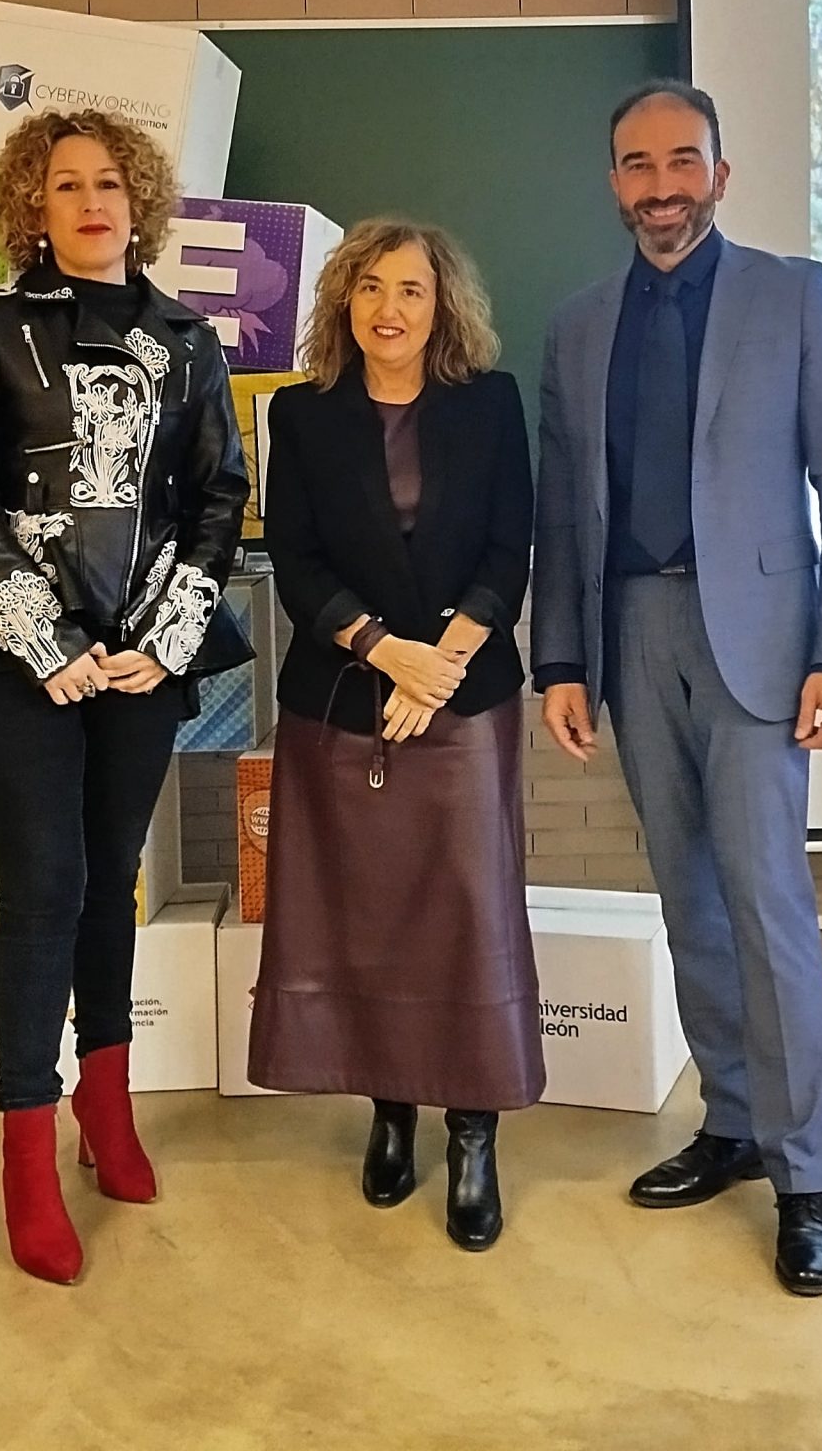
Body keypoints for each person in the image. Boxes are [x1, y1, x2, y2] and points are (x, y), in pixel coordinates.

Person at [0, 107, 250, 1287]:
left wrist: (166, 634)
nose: (90, 201)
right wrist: (44, 639)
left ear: (139, 200)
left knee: (111, 880)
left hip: (142, 660)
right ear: (31, 211)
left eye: (108, 182)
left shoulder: (191, 344)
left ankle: (110, 1107)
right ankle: (26, 1151)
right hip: (7, 662)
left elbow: (213, 499)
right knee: (44, 886)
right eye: (64, 185)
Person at [532, 79, 822, 1297]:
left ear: (721, 176)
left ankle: (808, 1178)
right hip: (631, 634)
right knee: (687, 897)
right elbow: (561, 507)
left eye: (684, 161)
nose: (662, 186)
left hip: (760, 644)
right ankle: (732, 1123)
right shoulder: (579, 326)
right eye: (638, 165)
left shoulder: (791, 296)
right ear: (614, 182)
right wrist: (562, 657)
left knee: (766, 904)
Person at [250, 219, 543, 1252]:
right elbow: (297, 559)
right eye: (370, 288)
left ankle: (472, 1131)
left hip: (464, 696)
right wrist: (389, 654)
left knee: (466, 915)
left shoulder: (489, 405)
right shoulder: (305, 415)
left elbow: (510, 545)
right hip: (344, 696)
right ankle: (389, 1110)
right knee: (364, 917)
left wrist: (443, 662)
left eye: (411, 290)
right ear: (344, 303)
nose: (389, 308)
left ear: (441, 305)